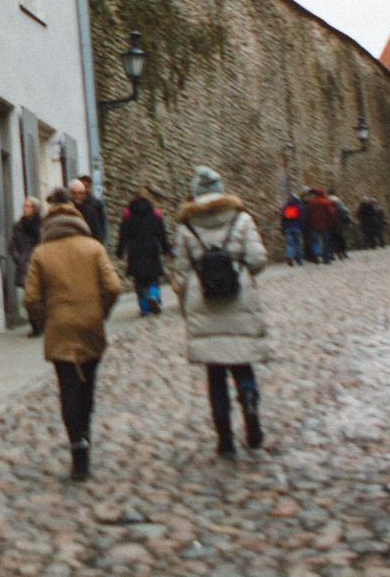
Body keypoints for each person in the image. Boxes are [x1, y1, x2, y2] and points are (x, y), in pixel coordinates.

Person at [22, 187, 122, 481]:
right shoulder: (93, 248)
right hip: (91, 324)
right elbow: (114, 287)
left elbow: (30, 298)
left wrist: (45, 320)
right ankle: (86, 433)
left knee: (68, 387)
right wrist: (101, 312)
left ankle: (77, 448)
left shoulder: (41, 253)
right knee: (87, 384)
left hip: (60, 326)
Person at [173, 167, 272, 458]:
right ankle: (250, 404)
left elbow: (180, 274)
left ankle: (226, 440)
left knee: (215, 373)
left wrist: (185, 303)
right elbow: (258, 259)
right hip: (238, 297)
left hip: (204, 300)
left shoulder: (187, 225)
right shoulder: (241, 218)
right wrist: (241, 270)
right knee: (242, 363)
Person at [115, 190, 172, 315]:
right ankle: (153, 295)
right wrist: (166, 249)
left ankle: (145, 308)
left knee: (139, 280)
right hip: (151, 249)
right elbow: (162, 234)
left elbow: (123, 235)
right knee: (153, 277)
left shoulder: (128, 215)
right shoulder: (155, 214)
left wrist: (120, 251)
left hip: (135, 251)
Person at [6, 197, 44, 334]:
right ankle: (35, 326)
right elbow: (12, 246)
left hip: (40, 263)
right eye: (24, 206)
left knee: (42, 294)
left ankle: (43, 322)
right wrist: (19, 258)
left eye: (28, 206)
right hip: (24, 264)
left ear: (35, 209)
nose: (24, 209)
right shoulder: (18, 226)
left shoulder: (42, 224)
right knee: (29, 297)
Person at [71, 175, 110, 244]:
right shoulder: (73, 205)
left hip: (94, 239)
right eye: (85, 186)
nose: (87, 189)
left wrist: (101, 241)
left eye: (88, 186)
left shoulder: (96, 204)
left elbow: (102, 224)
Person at [279, 195, 304, 266]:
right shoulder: (299, 207)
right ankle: (299, 260)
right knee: (298, 244)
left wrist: (283, 228)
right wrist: (302, 227)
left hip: (287, 228)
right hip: (296, 227)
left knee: (290, 244)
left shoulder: (285, 207)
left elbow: (283, 219)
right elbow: (301, 218)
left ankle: (290, 257)